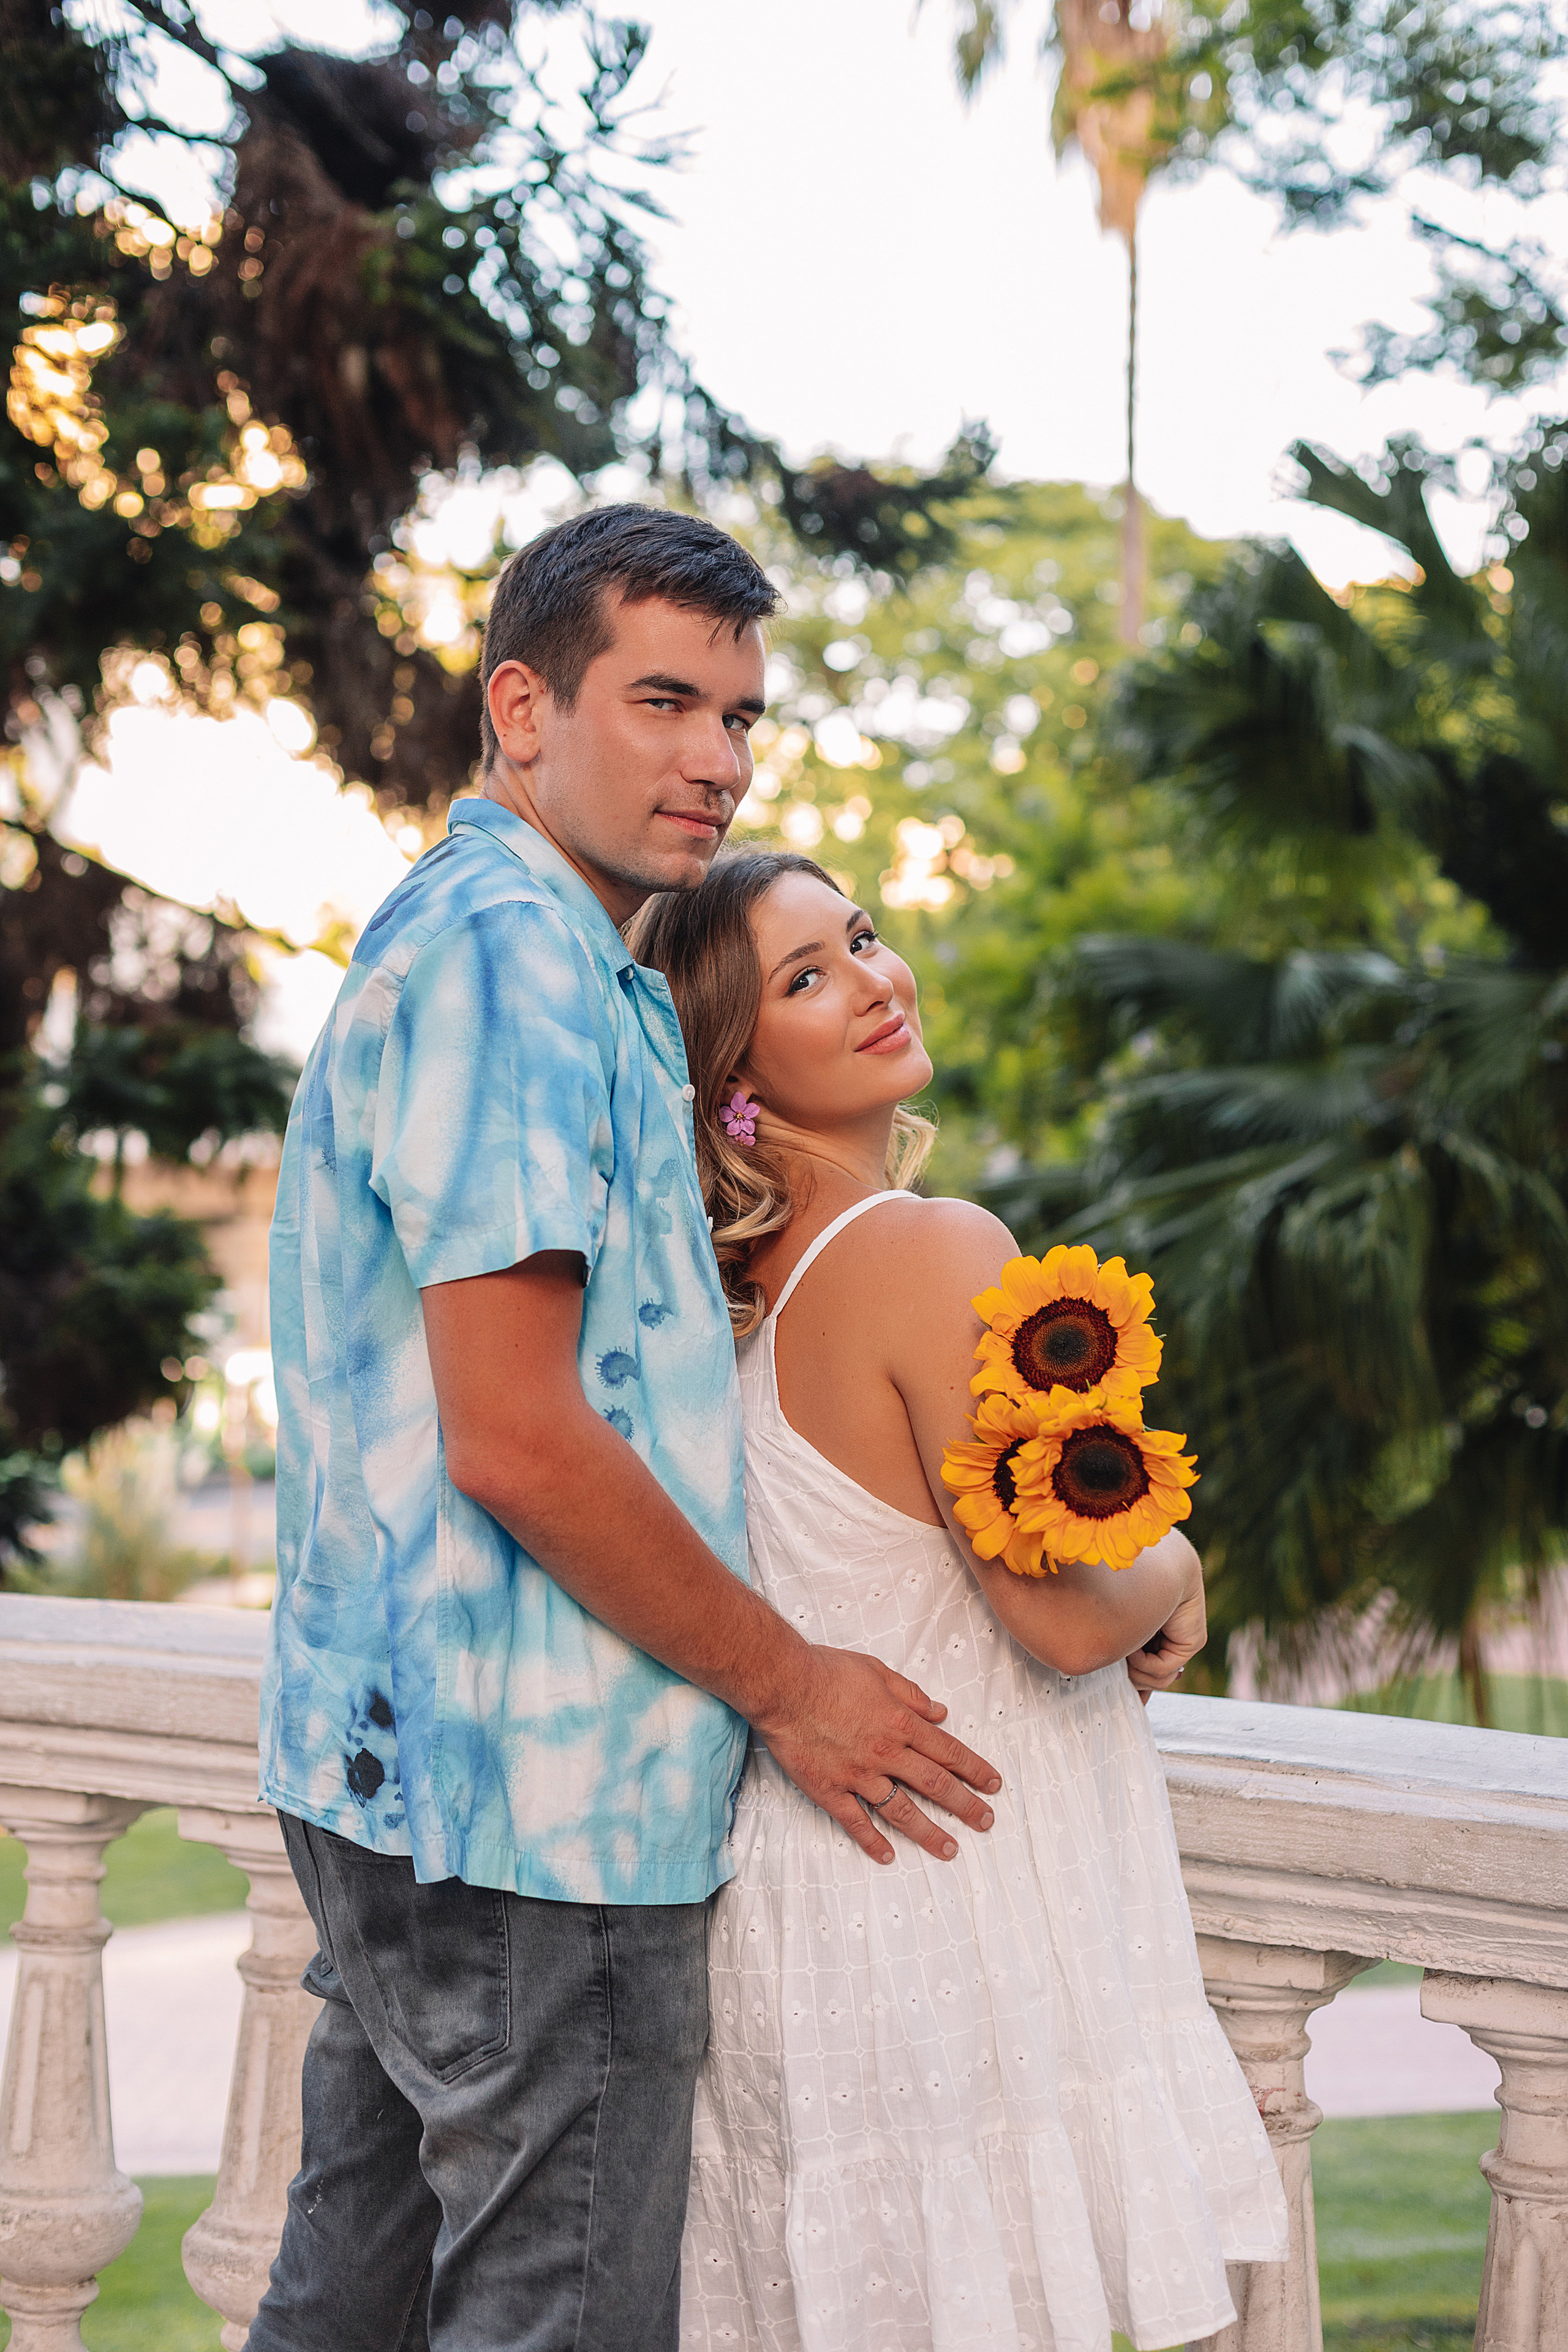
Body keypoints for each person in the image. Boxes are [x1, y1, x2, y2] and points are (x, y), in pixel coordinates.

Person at [250, 509, 1003, 2352]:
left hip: (401, 1787)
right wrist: (794, 1683)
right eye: (662, 701)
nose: (717, 761)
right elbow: (516, 1435)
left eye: (740, 715)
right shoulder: (513, 953)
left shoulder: (532, 953)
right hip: (536, 1820)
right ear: (522, 705)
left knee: (339, 2318)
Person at [632, 850, 1290, 2352]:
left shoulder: (721, 1300)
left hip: (809, 1910)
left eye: (858, 938)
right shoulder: (930, 1250)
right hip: (951, 1901)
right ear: (729, 1071)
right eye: (805, 977)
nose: (872, 978)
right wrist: (1176, 1564)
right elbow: (1061, 1618)